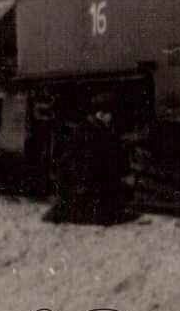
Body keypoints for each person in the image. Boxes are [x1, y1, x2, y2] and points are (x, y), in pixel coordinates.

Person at [44, 93, 128, 225]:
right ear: (99, 114)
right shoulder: (86, 132)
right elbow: (75, 163)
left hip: (89, 187)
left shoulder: (99, 130)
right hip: (83, 187)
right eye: (108, 113)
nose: (111, 118)